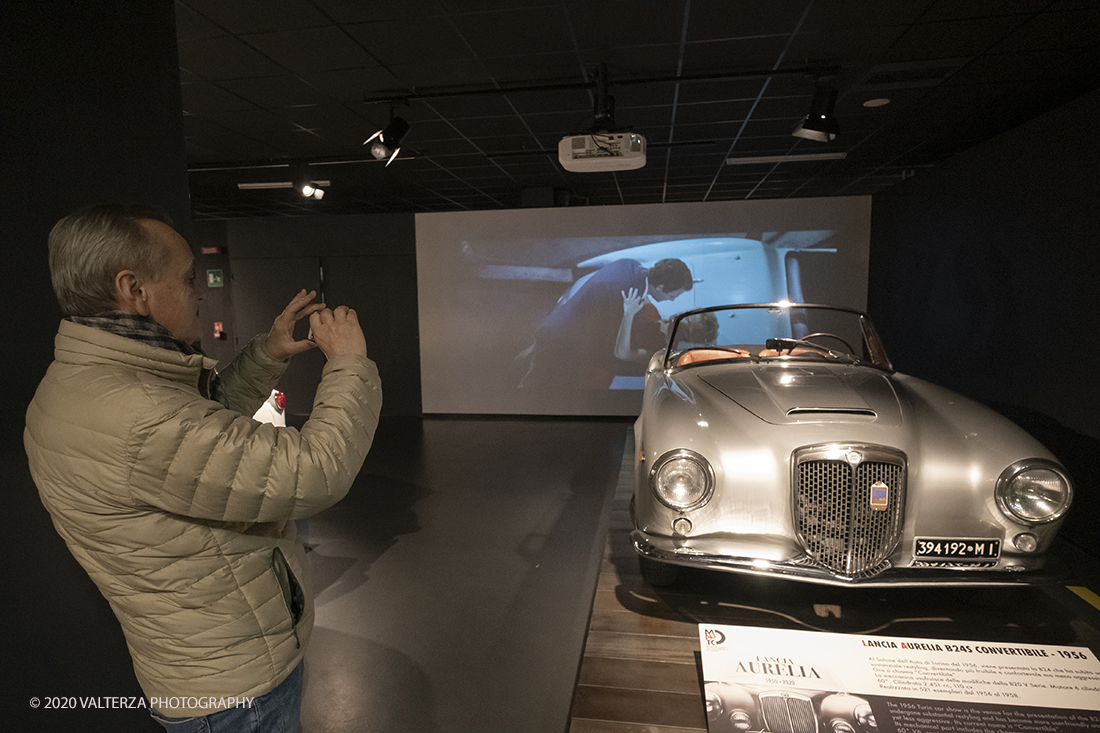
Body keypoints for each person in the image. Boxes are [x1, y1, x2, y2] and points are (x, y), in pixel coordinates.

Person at [24, 204, 382, 732]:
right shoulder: (137, 414)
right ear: (135, 290)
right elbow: (315, 471)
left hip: (204, 669)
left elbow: (198, 438)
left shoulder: (92, 383)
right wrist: (350, 363)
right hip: (237, 694)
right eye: (188, 277)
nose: (200, 291)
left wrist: (267, 354)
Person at [520, 257, 692, 390]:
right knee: (531, 390)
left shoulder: (632, 266)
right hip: (560, 343)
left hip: (557, 324)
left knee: (527, 368)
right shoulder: (627, 294)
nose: (671, 300)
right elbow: (613, 347)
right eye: (673, 296)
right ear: (661, 287)